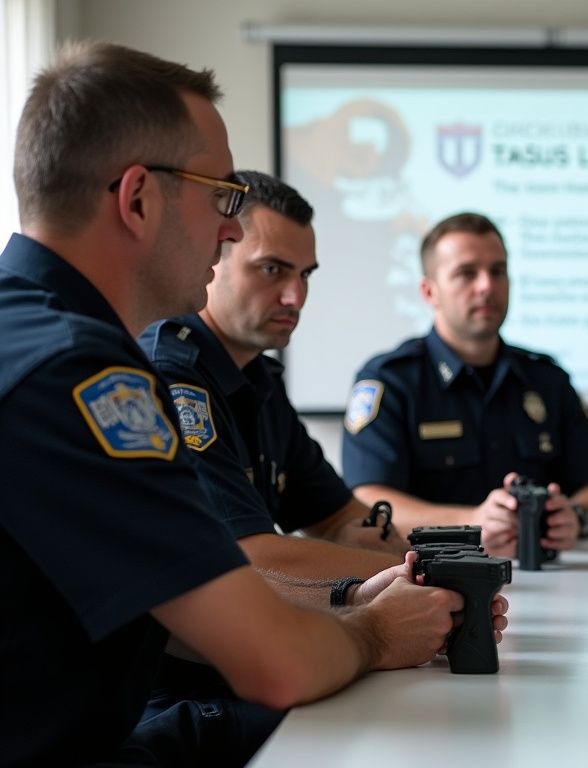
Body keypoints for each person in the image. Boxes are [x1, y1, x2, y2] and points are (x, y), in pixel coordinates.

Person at [0, 42, 504, 767]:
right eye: (222, 196)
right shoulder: (79, 374)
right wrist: (378, 631)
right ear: (137, 198)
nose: (231, 227)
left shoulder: (34, 333)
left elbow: (165, 603)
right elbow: (276, 664)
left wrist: (354, 601)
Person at [137, 170, 417, 764]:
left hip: (242, 669)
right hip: (172, 694)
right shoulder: (174, 373)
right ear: (218, 254)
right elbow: (251, 556)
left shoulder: (257, 376)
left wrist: (427, 554)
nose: (295, 297)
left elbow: (340, 516)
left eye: (304, 275)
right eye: (272, 269)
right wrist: (418, 569)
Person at [341, 212, 588, 556]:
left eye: (498, 271)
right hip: (433, 579)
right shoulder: (391, 380)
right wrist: (470, 522)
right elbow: (367, 501)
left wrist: (577, 517)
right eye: (466, 273)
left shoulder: (546, 378)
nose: (487, 285)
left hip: (549, 577)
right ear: (430, 292)